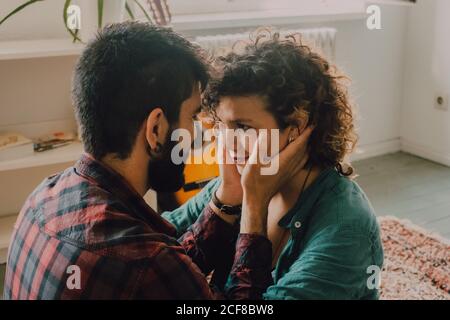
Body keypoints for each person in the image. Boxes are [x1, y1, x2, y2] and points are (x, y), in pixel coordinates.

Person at [3, 22, 310, 300]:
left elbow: (172, 269)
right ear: (156, 129)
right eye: (192, 117)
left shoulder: (43, 197)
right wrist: (254, 208)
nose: (201, 134)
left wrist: (228, 198)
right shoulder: (145, 263)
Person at [163, 31, 384, 300]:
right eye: (221, 125)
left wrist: (254, 207)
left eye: (242, 127)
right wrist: (226, 200)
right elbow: (158, 251)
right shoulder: (234, 183)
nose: (226, 141)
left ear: (296, 127)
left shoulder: (347, 228)